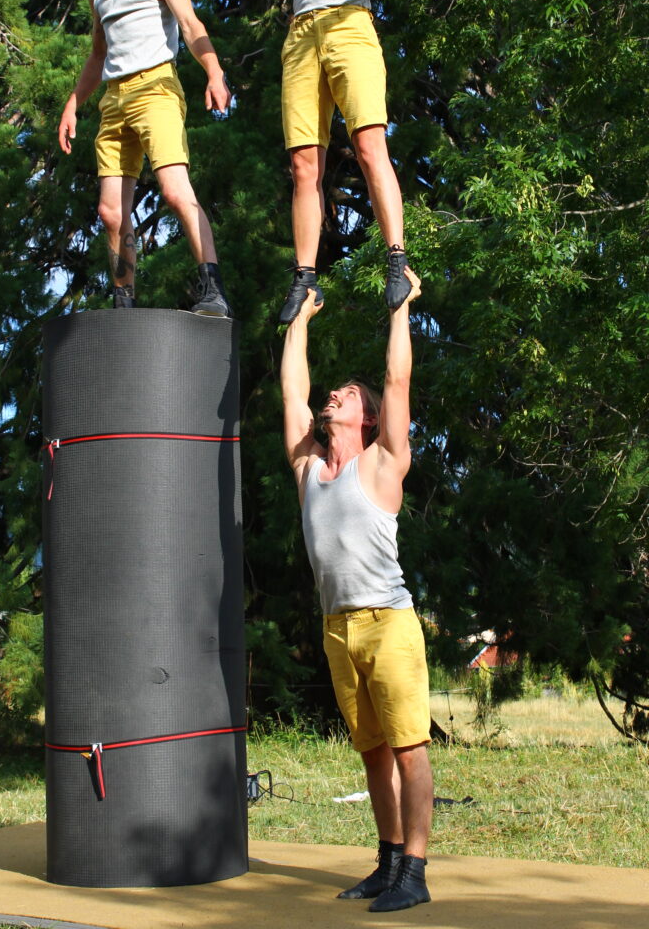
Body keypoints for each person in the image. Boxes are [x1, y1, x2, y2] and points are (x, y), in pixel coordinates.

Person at [194, 0, 435, 325]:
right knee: (305, 165)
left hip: (351, 26)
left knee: (369, 146)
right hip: (301, 38)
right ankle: (304, 277)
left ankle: (396, 257)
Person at [280, 273, 434, 912]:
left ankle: (417, 873)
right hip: (337, 628)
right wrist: (300, 319)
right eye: (334, 392)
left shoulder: (381, 461)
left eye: (344, 393)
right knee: (372, 753)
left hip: (389, 624)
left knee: (407, 749)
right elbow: (292, 388)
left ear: (364, 416)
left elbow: (397, 382)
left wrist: (402, 309)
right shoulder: (309, 468)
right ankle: (387, 861)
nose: (332, 395)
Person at [58, 0, 232, 316]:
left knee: (175, 191)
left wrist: (214, 71)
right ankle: (124, 301)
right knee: (110, 212)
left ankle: (212, 288)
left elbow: (190, 25)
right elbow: (98, 53)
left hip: (155, 87)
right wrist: (73, 103)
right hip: (114, 99)